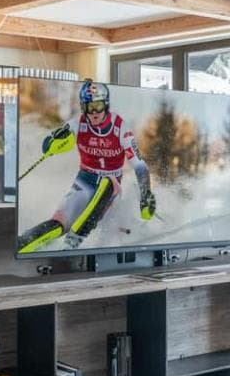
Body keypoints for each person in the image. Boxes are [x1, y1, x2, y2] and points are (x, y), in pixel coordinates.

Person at [20, 79, 157, 253]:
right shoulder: (78, 124)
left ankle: (74, 239)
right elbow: (47, 146)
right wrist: (54, 140)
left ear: (106, 104)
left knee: (108, 183)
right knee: (60, 221)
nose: (94, 112)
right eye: (89, 107)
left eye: (98, 106)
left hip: (111, 186)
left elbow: (139, 165)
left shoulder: (120, 126)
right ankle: (24, 243)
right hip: (84, 181)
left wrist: (146, 193)